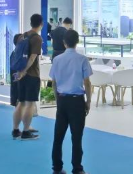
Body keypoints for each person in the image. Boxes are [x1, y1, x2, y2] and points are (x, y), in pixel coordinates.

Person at [50, 29, 92, 175]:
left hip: (62, 100)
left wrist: (58, 99)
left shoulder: (57, 59)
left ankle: (57, 168)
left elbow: (54, 82)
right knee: (77, 137)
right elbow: (87, 82)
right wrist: (88, 101)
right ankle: (77, 168)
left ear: (64, 42)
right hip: (77, 101)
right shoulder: (82, 59)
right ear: (77, 42)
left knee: (58, 136)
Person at [13, 13, 44, 140]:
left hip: (20, 74)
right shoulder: (37, 38)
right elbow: (32, 58)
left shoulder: (23, 36)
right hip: (31, 75)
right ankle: (26, 132)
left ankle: (15, 130)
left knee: (20, 102)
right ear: (41, 24)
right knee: (30, 104)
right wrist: (25, 71)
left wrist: (20, 72)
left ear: (31, 23)